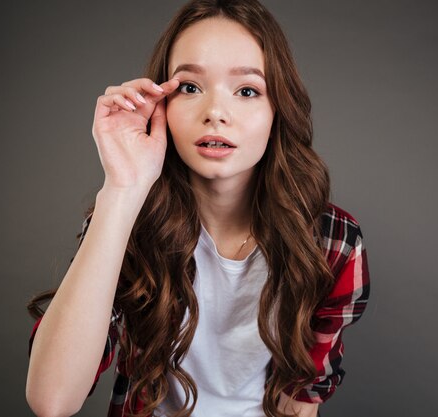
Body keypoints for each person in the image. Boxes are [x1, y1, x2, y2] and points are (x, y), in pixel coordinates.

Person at [25, 0, 370, 416]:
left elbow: (300, 403)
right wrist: (121, 190)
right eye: (189, 87)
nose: (215, 114)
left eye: (247, 91)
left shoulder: (333, 242)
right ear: (160, 103)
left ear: (277, 110)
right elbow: (51, 400)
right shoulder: (128, 224)